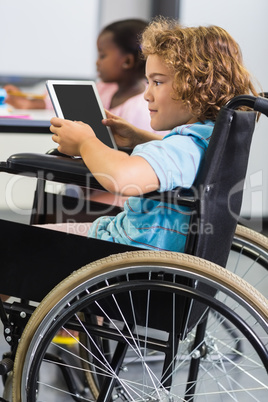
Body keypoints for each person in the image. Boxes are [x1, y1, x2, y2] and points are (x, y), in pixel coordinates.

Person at [46, 18, 258, 253]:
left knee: (13, 245)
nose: (147, 94)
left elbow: (123, 178)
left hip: (123, 255)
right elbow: (187, 158)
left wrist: (85, 142)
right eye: (148, 82)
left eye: (157, 82)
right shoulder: (206, 138)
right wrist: (139, 138)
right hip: (130, 245)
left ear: (196, 87)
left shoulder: (183, 147)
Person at [4, 19, 161, 133]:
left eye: (102, 55)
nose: (97, 62)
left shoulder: (140, 108)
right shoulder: (104, 89)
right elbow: (63, 101)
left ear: (127, 61)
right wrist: (28, 104)